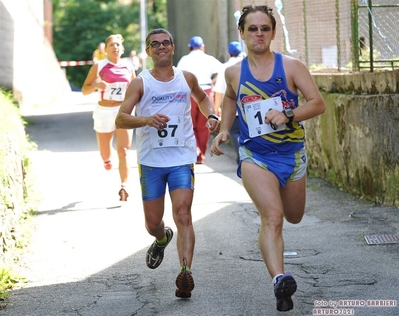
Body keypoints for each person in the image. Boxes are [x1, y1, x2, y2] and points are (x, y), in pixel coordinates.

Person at [210, 4, 325, 312]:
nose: (258, 34)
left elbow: (317, 104)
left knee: (293, 216)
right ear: (242, 33)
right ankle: (280, 280)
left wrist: (288, 114)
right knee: (272, 218)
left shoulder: (291, 67)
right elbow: (231, 99)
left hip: (292, 153)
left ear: (273, 33)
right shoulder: (233, 71)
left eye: (264, 28)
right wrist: (224, 129)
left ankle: (279, 275)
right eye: (252, 29)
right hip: (255, 155)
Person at [115, 28, 219, 298]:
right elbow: (121, 119)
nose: (161, 47)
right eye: (155, 44)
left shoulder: (187, 78)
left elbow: (204, 98)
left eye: (166, 43)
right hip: (151, 161)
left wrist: (211, 115)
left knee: (183, 213)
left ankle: (185, 271)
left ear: (173, 47)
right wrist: (146, 119)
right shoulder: (141, 82)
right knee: (152, 222)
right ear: (148, 51)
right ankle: (161, 238)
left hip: (182, 157)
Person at [82, 34, 136, 201]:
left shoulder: (128, 66)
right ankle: (106, 160)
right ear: (105, 49)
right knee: (105, 152)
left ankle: (124, 186)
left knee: (124, 150)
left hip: (123, 112)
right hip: (103, 111)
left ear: (123, 49)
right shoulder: (99, 66)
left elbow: (135, 89)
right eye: (112, 45)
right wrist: (97, 85)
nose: (115, 48)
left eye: (118, 45)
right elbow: (84, 90)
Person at [177, 36, 222, 164]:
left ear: (189, 47)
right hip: (207, 92)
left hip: (190, 93)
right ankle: (201, 154)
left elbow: (179, 76)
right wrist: (214, 82)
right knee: (205, 125)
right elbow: (222, 70)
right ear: (203, 46)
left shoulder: (184, 59)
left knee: (190, 124)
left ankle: (194, 149)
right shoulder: (209, 58)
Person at [213, 41, 245, 164]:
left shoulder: (225, 67)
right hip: (249, 107)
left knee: (235, 132)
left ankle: (242, 156)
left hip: (233, 109)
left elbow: (220, 91)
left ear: (228, 54)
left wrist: (216, 108)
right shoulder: (247, 64)